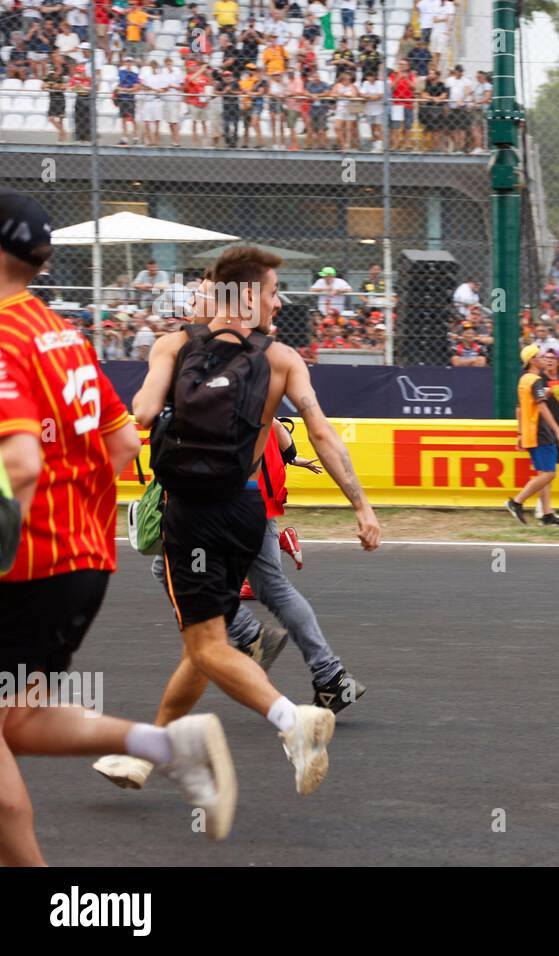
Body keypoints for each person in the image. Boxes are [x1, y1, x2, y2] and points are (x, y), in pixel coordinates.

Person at [0, 189, 236, 862]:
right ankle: (164, 744)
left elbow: (18, 463)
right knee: (16, 719)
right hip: (82, 558)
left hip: (25, 559)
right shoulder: (60, 333)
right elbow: (123, 444)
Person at [129, 245, 382, 796]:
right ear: (246, 296)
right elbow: (320, 433)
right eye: (272, 291)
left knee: (206, 644)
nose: (279, 301)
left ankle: (295, 721)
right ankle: (145, 752)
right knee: (208, 642)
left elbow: (142, 415)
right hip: (245, 512)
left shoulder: (173, 345)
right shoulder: (283, 358)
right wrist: (360, 505)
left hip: (190, 515)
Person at [505, 344, 559, 526]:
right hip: (541, 432)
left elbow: (520, 408)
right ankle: (516, 502)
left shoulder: (524, 380)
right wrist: (557, 432)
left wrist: (520, 433)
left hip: (530, 433)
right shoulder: (536, 380)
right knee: (549, 474)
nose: (544, 359)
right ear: (532, 360)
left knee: (543, 473)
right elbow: (541, 406)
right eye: (540, 356)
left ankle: (547, 514)